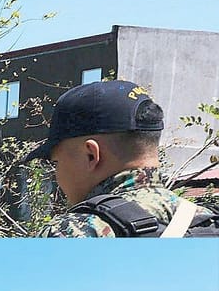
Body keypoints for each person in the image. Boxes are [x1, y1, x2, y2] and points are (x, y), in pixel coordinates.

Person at [25, 79, 200, 237]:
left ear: (91, 155)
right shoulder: (203, 220)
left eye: (56, 162)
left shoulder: (73, 231)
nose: (56, 173)